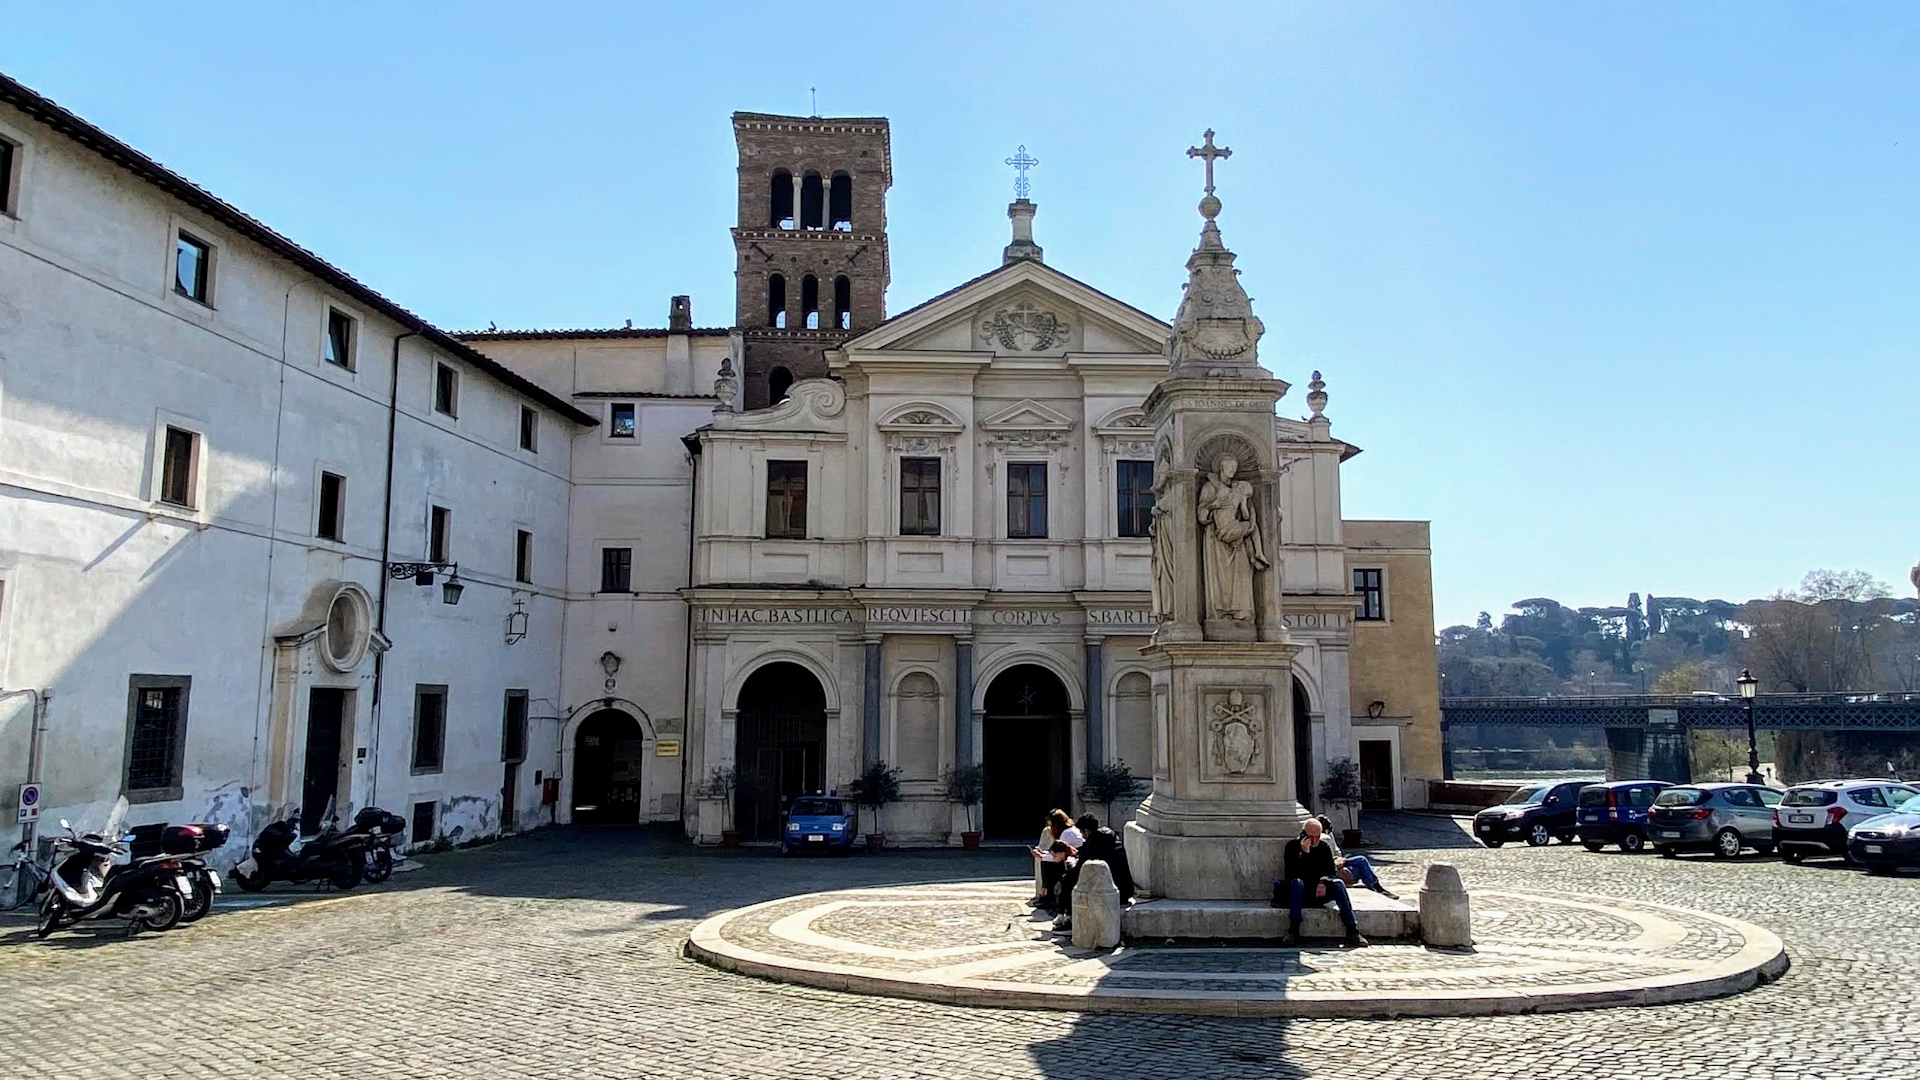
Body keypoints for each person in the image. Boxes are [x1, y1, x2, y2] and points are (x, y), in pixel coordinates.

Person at [1273, 817, 1366, 947]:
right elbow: (1291, 873)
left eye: (1317, 837)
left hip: (1319, 891)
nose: (1315, 840)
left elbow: (1330, 872)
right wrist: (1305, 854)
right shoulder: (1292, 847)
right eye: (1311, 837)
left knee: (1338, 884)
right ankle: (1293, 930)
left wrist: (1323, 881)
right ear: (1304, 835)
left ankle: (1352, 930)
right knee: (1296, 883)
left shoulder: (1324, 847)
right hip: (1300, 892)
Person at [1049, 814, 1134, 930]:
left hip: (1113, 891)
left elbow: (1078, 869)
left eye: (1082, 833)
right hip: (1126, 889)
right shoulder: (1112, 839)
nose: (1083, 837)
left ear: (1087, 831)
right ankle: (1065, 915)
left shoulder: (1093, 844)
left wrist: (1072, 865)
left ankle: (1068, 918)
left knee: (1068, 879)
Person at [1314, 814, 1398, 900]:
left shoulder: (1329, 835)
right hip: (1333, 866)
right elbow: (1326, 861)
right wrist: (1336, 861)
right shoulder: (1323, 839)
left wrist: (1340, 858)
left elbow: (1336, 851)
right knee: (1361, 861)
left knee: (1361, 864)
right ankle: (1376, 887)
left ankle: (1375, 887)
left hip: (1339, 861)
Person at [1030, 810, 1075, 911]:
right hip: (1070, 860)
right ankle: (1046, 895)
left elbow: (1058, 856)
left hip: (1071, 863)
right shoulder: (1069, 831)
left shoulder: (1065, 835)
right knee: (1048, 864)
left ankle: (1048, 896)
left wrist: (1041, 856)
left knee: (1050, 867)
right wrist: (1043, 855)